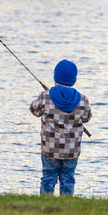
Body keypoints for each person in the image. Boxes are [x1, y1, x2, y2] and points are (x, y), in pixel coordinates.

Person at [30, 59, 92, 196]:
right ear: (74, 80)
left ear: (55, 78)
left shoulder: (45, 96)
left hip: (50, 149)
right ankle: (67, 206)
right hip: (71, 150)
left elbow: (34, 111)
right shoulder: (82, 100)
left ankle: (45, 205)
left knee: (48, 178)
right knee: (68, 178)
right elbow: (87, 118)